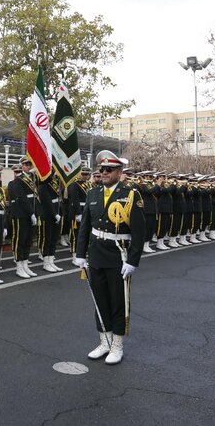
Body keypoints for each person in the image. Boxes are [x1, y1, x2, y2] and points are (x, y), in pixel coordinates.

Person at [76, 150, 145, 365]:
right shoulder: (92, 194)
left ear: (119, 172)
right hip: (96, 254)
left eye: (109, 169)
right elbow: (85, 226)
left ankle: (117, 345)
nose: (104, 173)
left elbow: (140, 232)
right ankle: (104, 341)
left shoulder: (131, 194)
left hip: (118, 255)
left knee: (118, 302)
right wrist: (80, 254)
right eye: (102, 169)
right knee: (100, 301)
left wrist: (132, 261)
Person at [7, 157, 39, 278]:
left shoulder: (33, 178)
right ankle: (19, 267)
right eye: (26, 164)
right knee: (20, 240)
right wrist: (31, 213)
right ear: (21, 165)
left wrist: (35, 213)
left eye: (30, 164)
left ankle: (25, 264)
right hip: (21, 214)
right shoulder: (18, 180)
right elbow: (22, 198)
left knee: (28, 241)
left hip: (31, 214)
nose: (28, 166)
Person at [37, 173, 63, 272]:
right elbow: (47, 202)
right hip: (48, 215)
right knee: (46, 239)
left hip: (56, 214)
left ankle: (51, 261)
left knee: (53, 239)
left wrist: (59, 212)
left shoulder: (54, 184)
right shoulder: (43, 187)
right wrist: (54, 214)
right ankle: (46, 263)